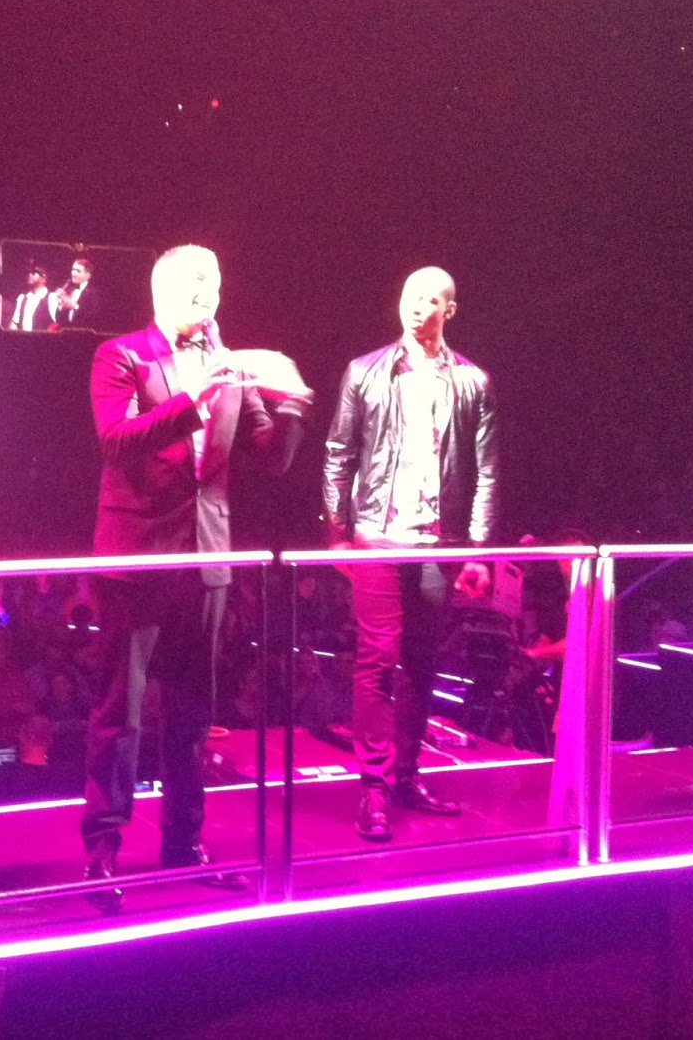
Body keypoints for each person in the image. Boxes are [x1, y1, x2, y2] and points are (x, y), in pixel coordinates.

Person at [83, 243, 311, 908]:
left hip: (206, 558)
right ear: (160, 288)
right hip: (136, 556)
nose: (205, 290)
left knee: (192, 715)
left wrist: (294, 400)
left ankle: (184, 843)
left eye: (213, 280)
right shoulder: (122, 355)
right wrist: (194, 396)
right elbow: (115, 440)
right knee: (120, 714)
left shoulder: (230, 364)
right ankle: (103, 850)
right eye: (192, 279)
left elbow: (271, 458)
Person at [322, 266, 500, 842]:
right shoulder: (366, 371)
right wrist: (338, 534)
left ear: (450, 310)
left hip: (438, 541)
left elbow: (487, 471)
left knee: (422, 661)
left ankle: (405, 775)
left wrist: (478, 551)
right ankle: (373, 786)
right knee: (378, 657)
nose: (417, 307)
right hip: (378, 536)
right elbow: (338, 452)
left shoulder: (472, 381)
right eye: (410, 298)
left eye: (430, 300)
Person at [53, 257, 101, 330]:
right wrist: (61, 305)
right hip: (67, 334)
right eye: (73, 270)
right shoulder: (70, 291)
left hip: (84, 335)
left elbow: (93, 318)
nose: (74, 273)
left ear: (88, 275)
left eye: (78, 271)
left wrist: (74, 306)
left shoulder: (93, 293)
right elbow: (60, 321)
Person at [8, 260, 54, 331]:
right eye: (28, 272)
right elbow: (14, 323)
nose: (29, 275)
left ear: (43, 278)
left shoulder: (51, 298)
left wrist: (47, 335)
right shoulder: (23, 298)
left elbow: (58, 323)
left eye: (33, 273)